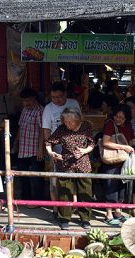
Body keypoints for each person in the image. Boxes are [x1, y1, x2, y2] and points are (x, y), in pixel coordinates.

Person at [45, 108, 95, 230]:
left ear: (77, 120)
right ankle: (64, 218)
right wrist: (51, 153)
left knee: (85, 192)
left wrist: (84, 151)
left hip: (83, 163)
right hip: (65, 163)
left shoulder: (86, 126)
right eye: (65, 121)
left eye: (69, 122)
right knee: (64, 192)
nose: (67, 124)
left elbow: (92, 144)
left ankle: (85, 219)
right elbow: (48, 142)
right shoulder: (62, 129)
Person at [42, 82, 81, 219]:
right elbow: (46, 130)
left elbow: (80, 124)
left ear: (65, 95)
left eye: (59, 97)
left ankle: (73, 205)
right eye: (53, 97)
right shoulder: (48, 108)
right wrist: (49, 149)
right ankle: (55, 207)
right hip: (56, 146)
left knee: (73, 177)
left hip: (74, 146)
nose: (56, 100)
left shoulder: (74, 103)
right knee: (55, 179)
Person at [101, 104, 134, 226]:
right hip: (111, 161)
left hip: (123, 161)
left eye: (121, 117)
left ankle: (118, 212)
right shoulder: (110, 124)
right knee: (110, 186)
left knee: (121, 186)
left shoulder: (129, 126)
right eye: (116, 116)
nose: (118, 119)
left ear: (127, 118)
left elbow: (130, 141)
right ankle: (108, 214)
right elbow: (105, 142)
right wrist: (124, 147)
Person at [12, 88, 44, 207]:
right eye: (24, 101)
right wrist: (15, 143)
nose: (26, 103)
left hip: (35, 149)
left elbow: (42, 130)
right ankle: (26, 198)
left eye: (28, 100)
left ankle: (38, 201)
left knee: (37, 177)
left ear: (34, 99)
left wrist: (40, 149)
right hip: (23, 148)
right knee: (22, 175)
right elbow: (20, 127)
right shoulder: (24, 110)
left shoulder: (40, 110)